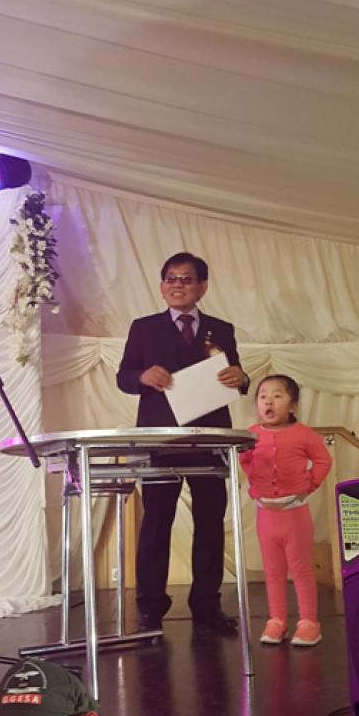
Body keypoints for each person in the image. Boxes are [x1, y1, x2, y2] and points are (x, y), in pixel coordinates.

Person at [117, 252, 248, 633]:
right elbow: (123, 377)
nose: (178, 285)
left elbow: (236, 377)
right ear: (162, 286)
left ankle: (206, 605)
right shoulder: (144, 328)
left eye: (186, 279)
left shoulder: (221, 329)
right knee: (156, 522)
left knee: (210, 522)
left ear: (202, 287)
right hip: (162, 438)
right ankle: (150, 607)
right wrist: (142, 376)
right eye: (171, 279)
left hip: (210, 437)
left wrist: (241, 378)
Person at [239, 375, 332, 646]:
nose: (268, 401)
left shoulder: (304, 434)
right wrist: (256, 484)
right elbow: (245, 460)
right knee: (272, 571)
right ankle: (277, 620)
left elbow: (323, 461)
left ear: (293, 405)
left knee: (301, 570)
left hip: (295, 514)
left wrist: (309, 485)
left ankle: (309, 623)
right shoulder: (250, 435)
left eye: (277, 395)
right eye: (263, 396)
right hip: (265, 515)